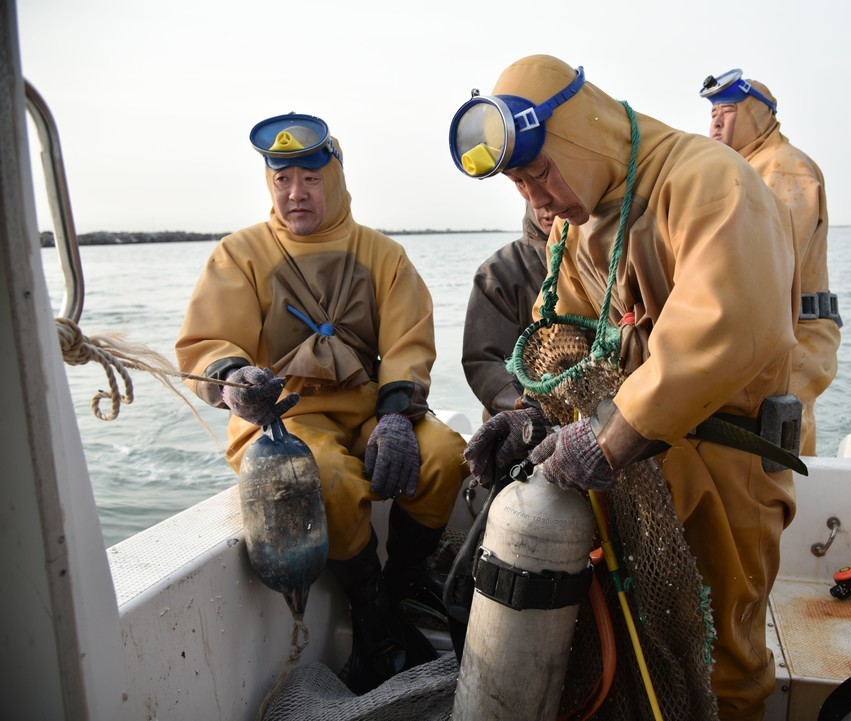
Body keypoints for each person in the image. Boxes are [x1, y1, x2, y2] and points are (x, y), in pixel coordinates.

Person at [448, 55, 801, 720]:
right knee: (636, 647)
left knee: (722, 656)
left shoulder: (709, 181)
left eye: (540, 172)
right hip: (637, 470)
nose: (538, 199)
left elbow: (725, 329)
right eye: (520, 187)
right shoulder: (580, 226)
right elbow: (567, 346)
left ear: (581, 131)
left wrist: (607, 436)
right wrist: (531, 417)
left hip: (728, 473)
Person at [175, 112, 468, 694]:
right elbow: (205, 345)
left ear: (333, 177)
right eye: (282, 180)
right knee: (322, 476)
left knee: (444, 452)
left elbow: (410, 343)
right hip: (284, 418)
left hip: (371, 411)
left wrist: (395, 413)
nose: (295, 193)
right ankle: (374, 608)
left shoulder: (383, 255)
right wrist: (234, 376)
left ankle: (408, 578)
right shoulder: (241, 255)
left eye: (309, 177)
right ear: (268, 183)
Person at [699, 69, 841, 455]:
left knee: (777, 450)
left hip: (792, 338)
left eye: (727, 111)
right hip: (766, 335)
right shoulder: (740, 168)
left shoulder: (783, 167)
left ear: (757, 115)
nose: (715, 120)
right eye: (712, 113)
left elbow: (770, 261)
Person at [462, 203, 554, 420]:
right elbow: (483, 361)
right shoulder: (496, 272)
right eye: (536, 197)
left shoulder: (606, 257)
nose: (546, 207)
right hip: (521, 412)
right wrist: (522, 405)